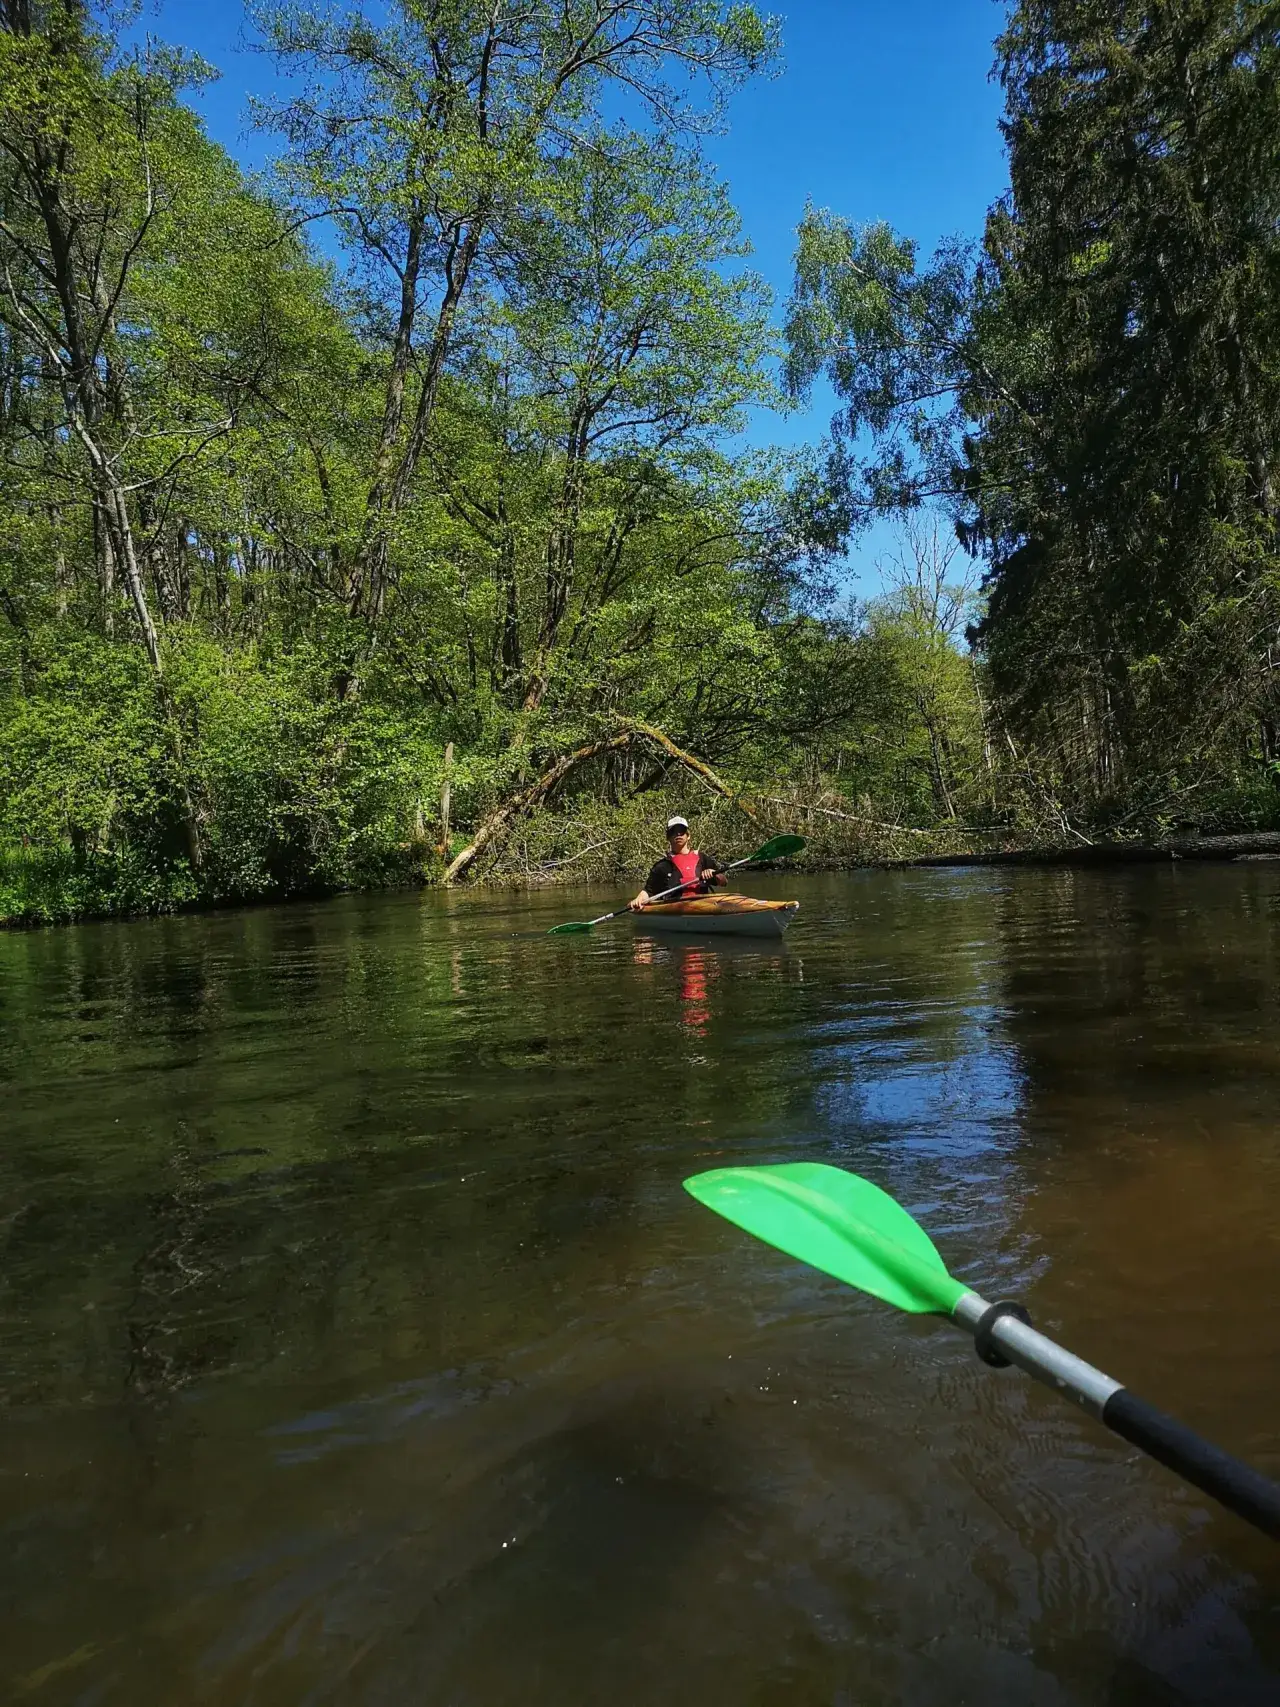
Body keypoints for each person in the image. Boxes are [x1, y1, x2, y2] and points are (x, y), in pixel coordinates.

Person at [629, 816, 727, 910]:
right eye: (673, 832)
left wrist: (715, 873)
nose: (678, 834)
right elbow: (648, 892)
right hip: (675, 908)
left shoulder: (702, 858)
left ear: (688, 836)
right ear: (668, 837)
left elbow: (723, 882)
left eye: (682, 831)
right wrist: (638, 899)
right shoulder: (662, 866)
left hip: (704, 906)